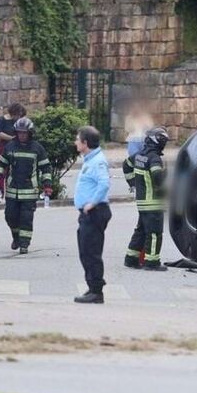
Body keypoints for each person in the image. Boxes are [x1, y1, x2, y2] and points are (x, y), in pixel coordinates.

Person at [0, 117, 51, 254]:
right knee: (10, 216)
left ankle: (24, 244)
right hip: (12, 191)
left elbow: (46, 168)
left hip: (30, 191)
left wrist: (47, 185)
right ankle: (16, 237)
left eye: (24, 133)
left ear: (30, 133)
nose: (22, 135)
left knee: (26, 218)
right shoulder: (10, 146)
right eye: (19, 132)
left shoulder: (37, 148)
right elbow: (2, 164)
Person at [73, 126, 112, 304]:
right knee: (85, 251)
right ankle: (92, 287)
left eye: (77, 139)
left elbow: (104, 184)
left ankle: (96, 291)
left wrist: (92, 204)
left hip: (95, 212)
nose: (75, 142)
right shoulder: (91, 159)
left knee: (91, 252)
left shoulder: (97, 162)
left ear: (85, 143)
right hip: (89, 213)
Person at [123, 126, 169, 271]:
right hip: (153, 203)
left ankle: (131, 259)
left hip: (142, 202)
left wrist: (132, 183)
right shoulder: (154, 158)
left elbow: (126, 165)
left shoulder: (139, 155)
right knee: (154, 233)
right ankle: (152, 262)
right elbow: (157, 177)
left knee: (141, 231)